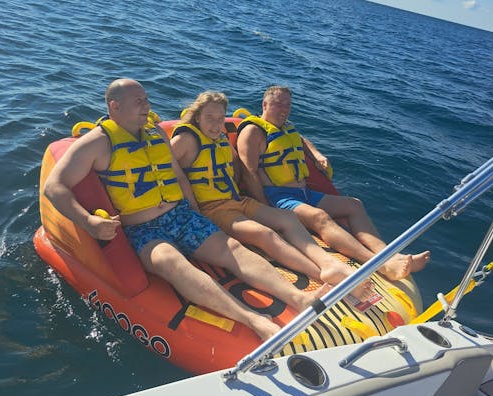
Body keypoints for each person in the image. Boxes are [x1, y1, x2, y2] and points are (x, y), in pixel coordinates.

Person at [43, 78, 330, 343]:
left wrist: (195, 211)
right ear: (114, 106)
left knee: (233, 250)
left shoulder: (155, 133)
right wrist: (89, 221)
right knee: (172, 262)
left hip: (180, 215)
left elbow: (178, 176)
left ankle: (298, 298)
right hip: (143, 229)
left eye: (146, 99)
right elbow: (55, 187)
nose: (147, 105)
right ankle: (253, 318)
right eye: (138, 101)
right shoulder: (96, 142)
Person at [170, 90, 374, 299]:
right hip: (213, 209)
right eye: (209, 118)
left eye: (220, 118)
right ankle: (322, 274)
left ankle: (328, 263)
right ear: (197, 117)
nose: (215, 124)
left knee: (288, 218)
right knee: (264, 233)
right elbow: (164, 172)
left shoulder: (219, 138)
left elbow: (237, 166)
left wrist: (257, 198)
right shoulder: (186, 139)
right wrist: (191, 209)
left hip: (238, 201)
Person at [236, 85, 431, 281]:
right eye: (278, 104)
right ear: (265, 104)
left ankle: (390, 255)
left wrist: (317, 154)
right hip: (279, 197)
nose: (284, 109)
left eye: (288, 105)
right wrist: (266, 209)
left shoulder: (286, 128)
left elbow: (301, 140)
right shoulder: (252, 132)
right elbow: (248, 173)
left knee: (353, 204)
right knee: (320, 217)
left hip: (304, 193)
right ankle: (380, 265)